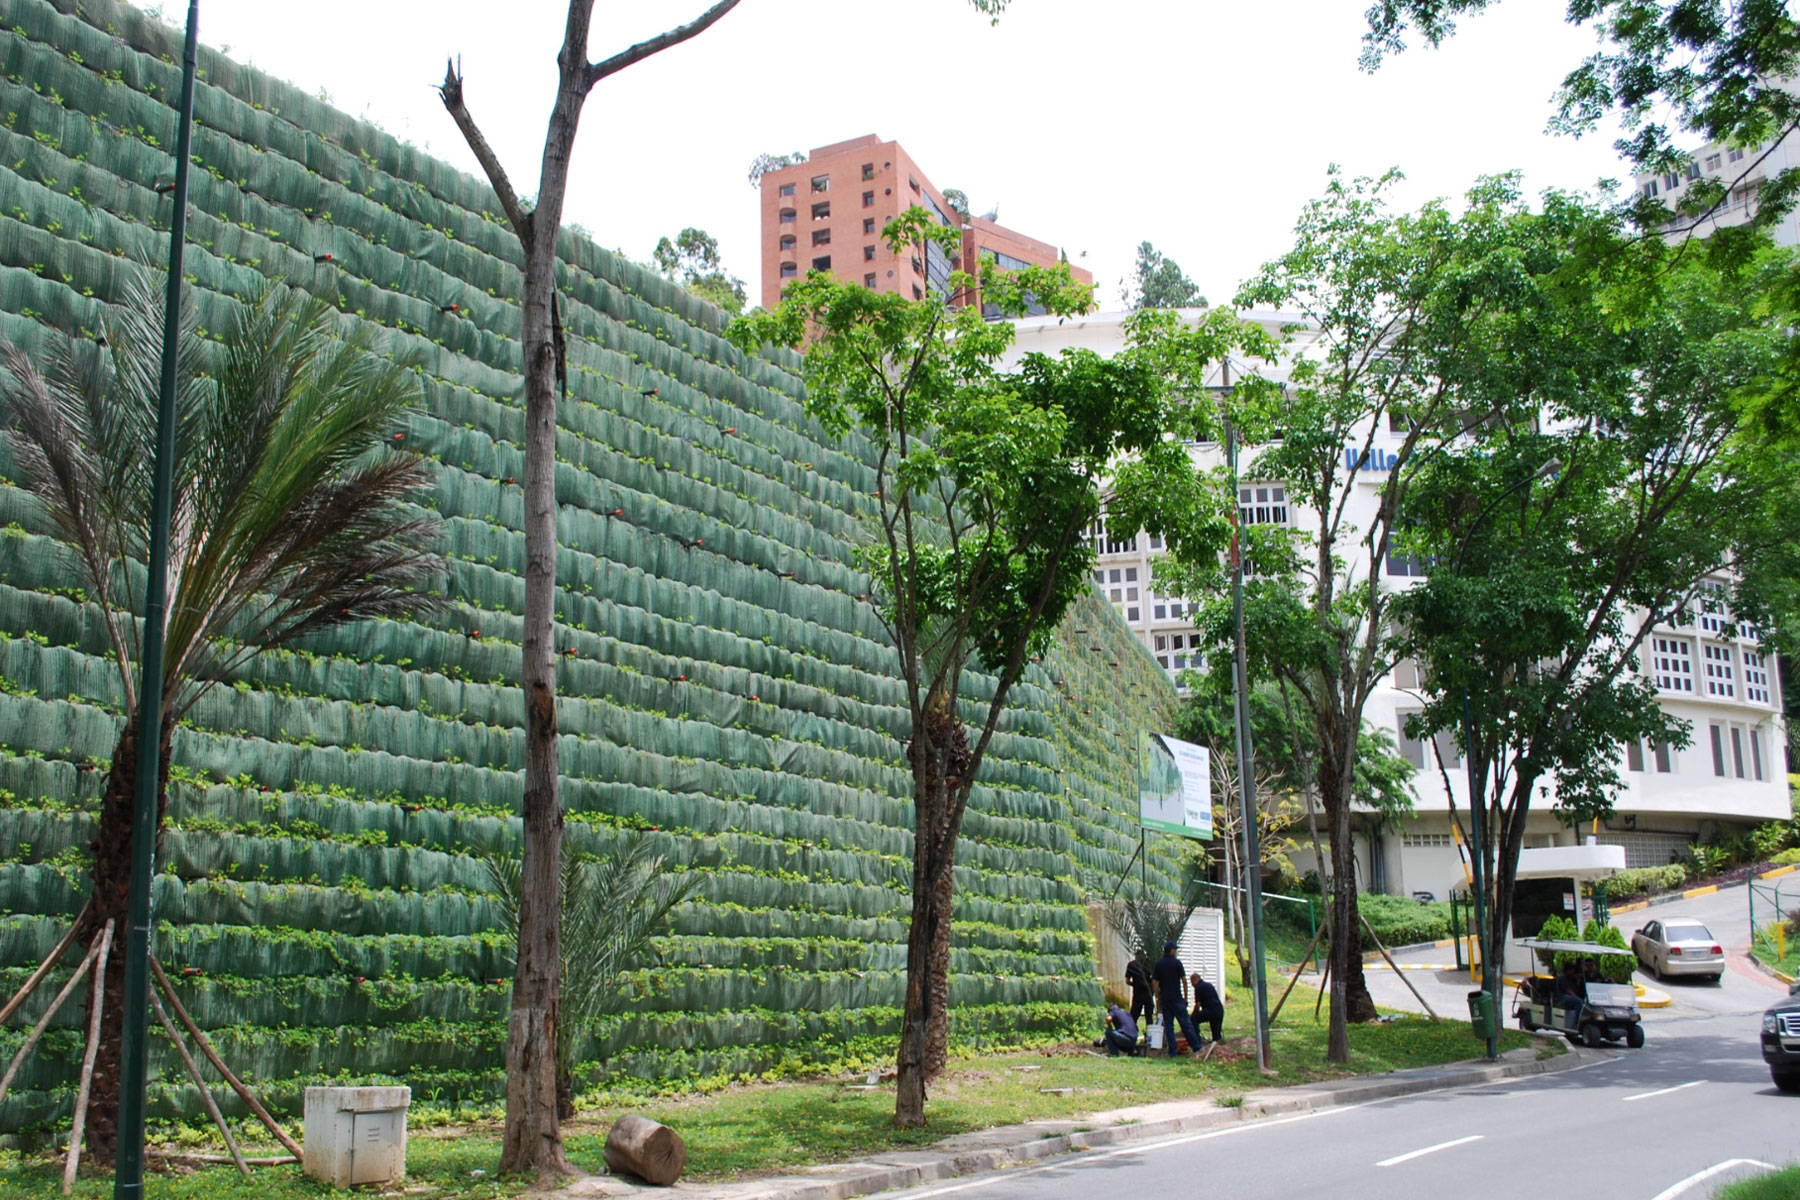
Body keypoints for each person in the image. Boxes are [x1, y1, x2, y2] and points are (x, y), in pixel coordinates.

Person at [1151, 940, 1203, 1059]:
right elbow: (1184, 981)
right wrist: (1185, 997)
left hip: (1166, 1000)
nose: (1176, 951)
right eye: (1175, 949)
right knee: (1186, 1024)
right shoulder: (1177, 963)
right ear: (1171, 950)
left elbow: (1154, 983)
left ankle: (1173, 1052)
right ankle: (1197, 1047)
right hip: (1177, 998)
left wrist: (1159, 996)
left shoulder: (1159, 964)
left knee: (1169, 1026)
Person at [1189, 972, 1224, 1045]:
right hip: (1219, 1010)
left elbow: (1197, 1005)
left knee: (1193, 1019)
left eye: (1192, 982)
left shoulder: (1198, 987)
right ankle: (1217, 1044)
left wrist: (1193, 1014)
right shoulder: (1209, 985)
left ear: (1195, 980)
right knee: (1216, 1034)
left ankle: (1196, 1041)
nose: (1192, 985)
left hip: (1210, 1011)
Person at [1125, 958, 1156, 1027]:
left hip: (1138, 993)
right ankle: (1150, 1034)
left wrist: (1135, 984)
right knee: (1149, 1016)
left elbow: (1127, 981)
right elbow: (1154, 980)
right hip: (1148, 993)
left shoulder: (1132, 964)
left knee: (1134, 1016)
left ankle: (1130, 1032)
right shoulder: (1149, 964)